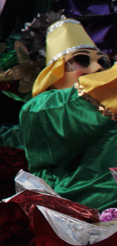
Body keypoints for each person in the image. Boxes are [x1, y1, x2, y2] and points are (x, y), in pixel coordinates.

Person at [20, 19, 117, 210]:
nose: (98, 68)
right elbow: (77, 106)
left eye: (103, 61)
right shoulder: (38, 109)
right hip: (82, 218)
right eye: (81, 59)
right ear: (54, 74)